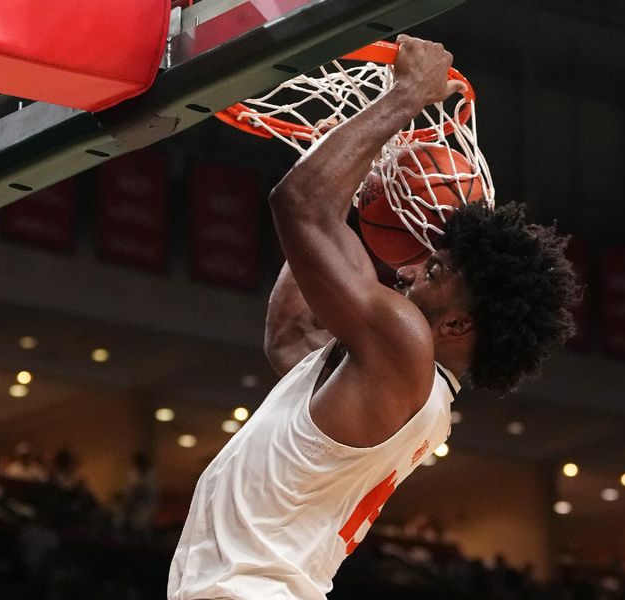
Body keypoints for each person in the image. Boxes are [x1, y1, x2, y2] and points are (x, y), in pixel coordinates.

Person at [168, 35, 578, 600]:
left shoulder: (408, 348)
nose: (407, 272)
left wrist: (405, 98)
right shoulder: (408, 386)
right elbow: (291, 335)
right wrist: (360, 183)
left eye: (432, 273)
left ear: (458, 325)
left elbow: (299, 206)